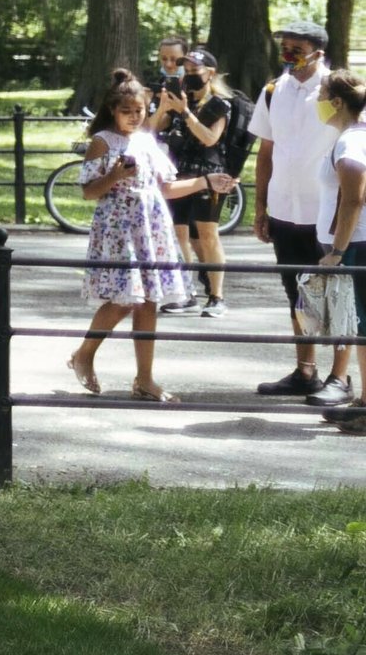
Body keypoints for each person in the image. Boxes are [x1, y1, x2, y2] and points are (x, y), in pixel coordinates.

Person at [66, 71, 231, 401]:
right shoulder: (102, 141)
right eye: (127, 111)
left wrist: (205, 182)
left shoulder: (146, 139)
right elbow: (88, 191)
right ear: (113, 110)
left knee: (148, 300)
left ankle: (144, 378)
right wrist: (114, 174)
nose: (134, 117)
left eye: (139, 111)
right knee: (125, 298)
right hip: (119, 227)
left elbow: (166, 187)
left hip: (150, 225)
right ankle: (85, 353)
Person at [250, 21, 342, 404]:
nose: (288, 56)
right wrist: (260, 206)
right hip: (286, 209)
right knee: (297, 293)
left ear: (318, 52)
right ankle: (305, 371)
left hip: (329, 213)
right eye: (284, 48)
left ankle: (340, 377)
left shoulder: (338, 90)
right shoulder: (274, 90)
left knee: (339, 295)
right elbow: (266, 152)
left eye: (295, 49)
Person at [154, 47, 238, 317]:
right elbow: (152, 129)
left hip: (210, 175)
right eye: (186, 72)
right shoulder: (180, 99)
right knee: (179, 233)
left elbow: (209, 138)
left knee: (206, 234)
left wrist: (186, 113)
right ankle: (185, 292)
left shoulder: (219, 104)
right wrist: (166, 108)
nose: (189, 77)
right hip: (180, 174)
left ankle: (217, 296)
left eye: (195, 72)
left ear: (210, 73)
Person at [317, 73, 366, 432]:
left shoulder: (351, 142)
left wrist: (337, 250)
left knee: (362, 323)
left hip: (356, 245)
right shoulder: (352, 137)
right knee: (359, 323)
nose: (316, 100)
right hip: (355, 244)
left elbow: (353, 198)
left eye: (321, 94)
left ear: (336, 101)